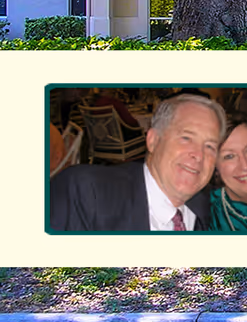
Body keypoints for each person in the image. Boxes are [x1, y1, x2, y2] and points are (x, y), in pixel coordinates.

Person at [50, 94, 225, 231]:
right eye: (186, 138)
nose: (198, 154)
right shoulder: (85, 193)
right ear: (153, 140)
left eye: (210, 146)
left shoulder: (216, 209)